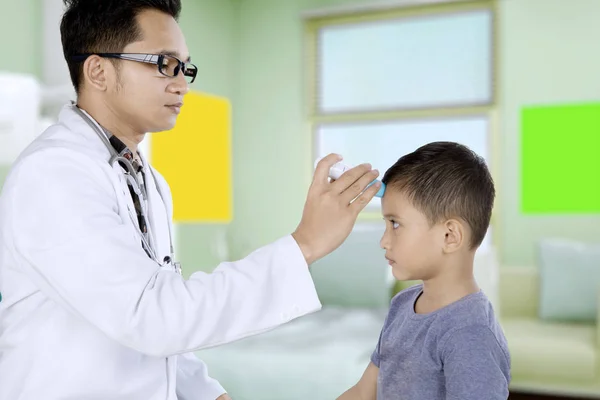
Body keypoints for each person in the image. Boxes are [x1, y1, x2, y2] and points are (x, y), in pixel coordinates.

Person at [0, 1, 382, 399]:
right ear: (98, 71)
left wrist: (208, 393)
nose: (182, 84)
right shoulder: (54, 174)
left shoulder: (146, 180)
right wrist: (305, 243)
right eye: (164, 64)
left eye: (185, 68)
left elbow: (156, 331)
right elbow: (152, 316)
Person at [337, 142, 511, 400]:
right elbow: (364, 392)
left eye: (395, 224)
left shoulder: (470, 334)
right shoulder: (402, 305)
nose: (383, 241)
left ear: (450, 236)